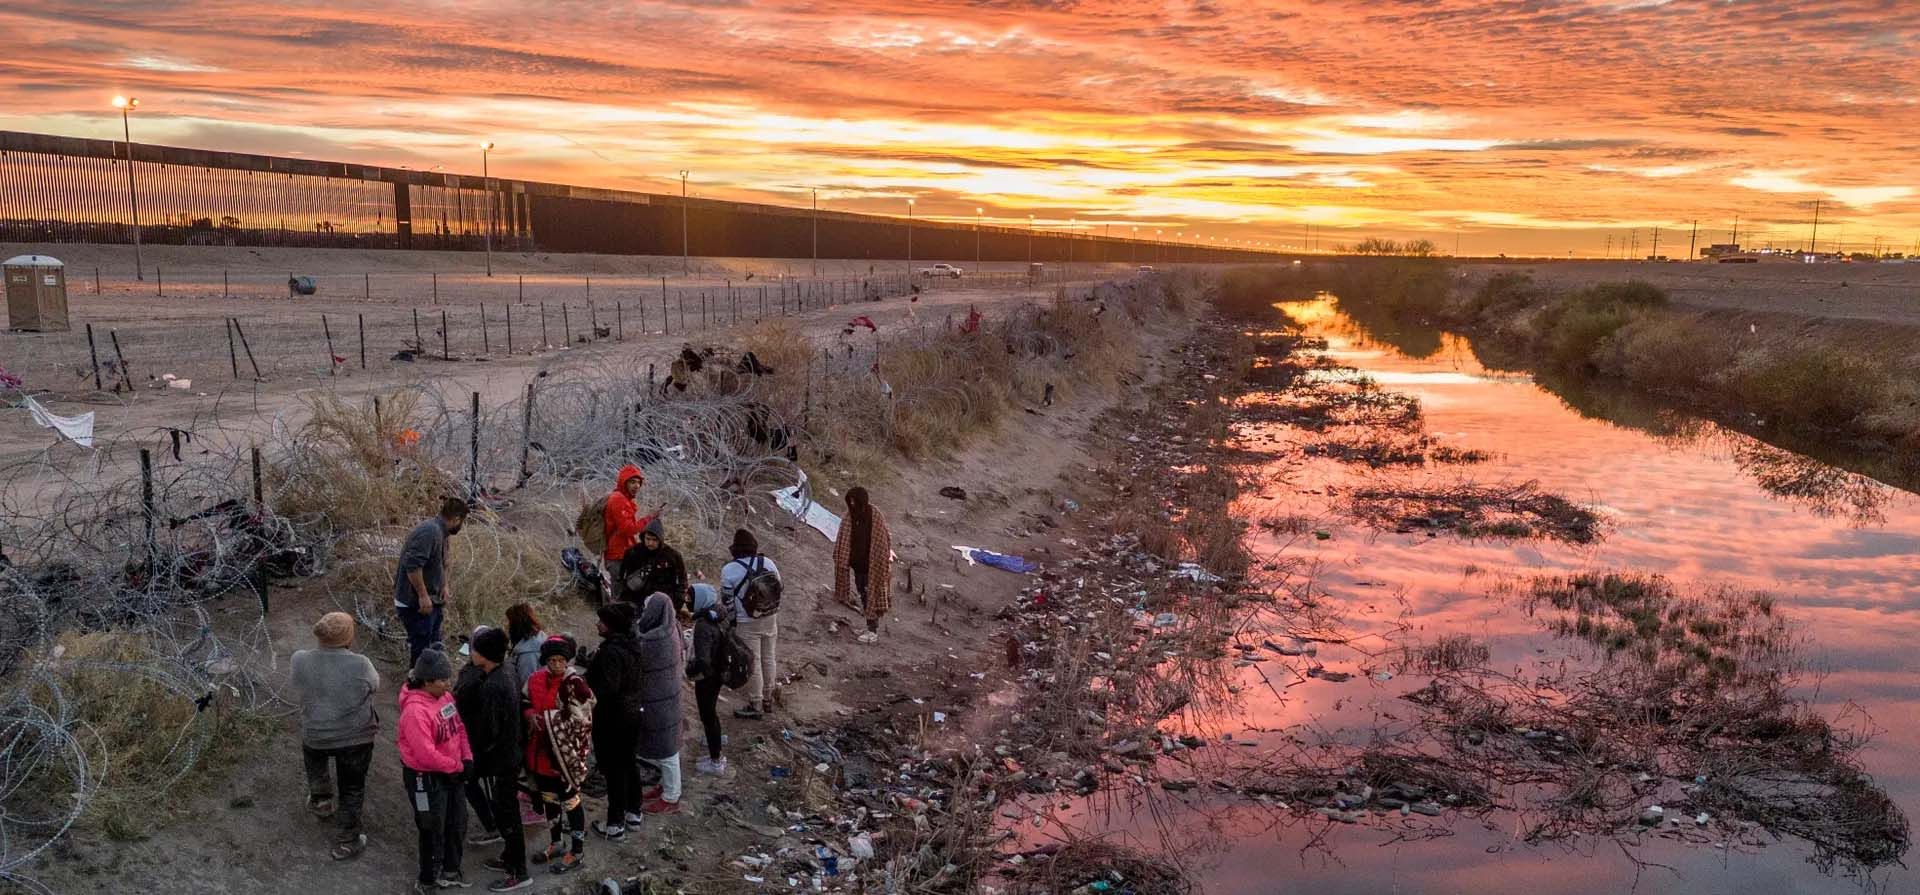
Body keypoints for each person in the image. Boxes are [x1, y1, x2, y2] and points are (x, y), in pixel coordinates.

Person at [290, 611, 378, 861]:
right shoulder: (361, 663)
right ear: (348, 637)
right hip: (356, 737)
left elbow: (296, 686)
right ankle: (348, 839)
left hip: (316, 734)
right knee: (352, 787)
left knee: (315, 763)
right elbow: (374, 686)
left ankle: (322, 800)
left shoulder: (300, 659)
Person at [454, 627, 530, 892]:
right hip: (509, 754)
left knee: (507, 813)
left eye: (474, 649)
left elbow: (490, 729)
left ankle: (518, 872)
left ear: (484, 655)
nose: (470, 653)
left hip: (502, 759)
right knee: (506, 810)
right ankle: (509, 857)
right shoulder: (506, 670)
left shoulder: (494, 686)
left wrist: (479, 751)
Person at [397, 646, 472, 893]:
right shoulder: (414, 711)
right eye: (442, 680)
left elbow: (458, 727)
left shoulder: (445, 697)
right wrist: (456, 766)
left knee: (457, 820)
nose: (447, 684)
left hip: (452, 772)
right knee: (431, 827)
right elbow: (425, 753)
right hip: (425, 777)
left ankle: (451, 869)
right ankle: (427, 878)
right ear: (427, 681)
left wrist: (467, 758)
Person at [525, 635, 594, 874]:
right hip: (540, 754)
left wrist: (548, 720)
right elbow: (524, 701)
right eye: (552, 660)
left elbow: (583, 719)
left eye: (561, 660)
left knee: (572, 802)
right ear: (545, 660)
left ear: (567, 661)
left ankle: (577, 851)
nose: (556, 664)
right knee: (549, 800)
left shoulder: (576, 684)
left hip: (565, 757)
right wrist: (530, 714)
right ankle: (556, 843)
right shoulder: (533, 680)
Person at [584, 603, 646, 839]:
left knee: (613, 770)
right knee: (629, 764)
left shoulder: (611, 652)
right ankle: (633, 812)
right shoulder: (632, 646)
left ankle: (615, 823)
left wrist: (585, 687)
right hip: (633, 713)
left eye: (602, 621)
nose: (598, 624)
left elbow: (607, 688)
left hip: (613, 718)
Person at [396, 497, 468, 664]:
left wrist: (444, 584)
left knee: (433, 645)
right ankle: (416, 685)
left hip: (431, 601)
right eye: (462, 521)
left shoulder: (442, 532)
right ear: (456, 519)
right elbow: (412, 566)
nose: (461, 526)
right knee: (422, 650)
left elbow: (441, 563)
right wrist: (423, 595)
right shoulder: (430, 532)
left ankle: (428, 683)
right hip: (416, 603)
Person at [720, 528, 781, 719]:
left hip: (747, 621)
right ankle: (768, 698)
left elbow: (727, 600)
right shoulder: (768, 562)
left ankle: (756, 703)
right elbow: (780, 586)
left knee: (753, 662)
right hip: (770, 616)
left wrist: (732, 621)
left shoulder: (729, 570)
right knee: (769, 657)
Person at [633, 591, 684, 814]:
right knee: (668, 747)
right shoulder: (672, 629)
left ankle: (672, 797)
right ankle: (665, 786)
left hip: (658, 700)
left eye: (646, 609)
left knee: (667, 752)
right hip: (668, 696)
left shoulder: (654, 640)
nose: (644, 613)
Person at [833, 486, 892, 644]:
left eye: (854, 502)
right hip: (858, 566)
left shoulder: (874, 516)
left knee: (869, 596)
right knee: (863, 594)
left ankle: (872, 632)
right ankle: (869, 627)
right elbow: (843, 540)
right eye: (849, 502)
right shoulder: (849, 517)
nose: (852, 505)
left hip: (871, 567)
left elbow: (882, 541)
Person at [686, 583, 730, 775]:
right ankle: (716, 745)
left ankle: (715, 760)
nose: (687, 601)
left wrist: (689, 670)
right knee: (711, 714)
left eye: (690, 598)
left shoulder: (704, 626)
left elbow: (703, 659)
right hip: (719, 672)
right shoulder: (718, 615)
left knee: (708, 715)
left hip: (708, 677)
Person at [616, 518, 687, 612]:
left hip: (660, 603)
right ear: (643, 537)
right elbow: (623, 578)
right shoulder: (633, 552)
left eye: (654, 540)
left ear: (660, 539)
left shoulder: (672, 556)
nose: (650, 543)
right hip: (635, 600)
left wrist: (675, 606)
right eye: (648, 539)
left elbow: (681, 582)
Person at [602, 464, 658, 566]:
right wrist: (649, 518)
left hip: (623, 553)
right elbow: (628, 529)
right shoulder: (619, 500)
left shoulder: (624, 499)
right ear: (624, 483)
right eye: (632, 482)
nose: (637, 486)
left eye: (638, 482)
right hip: (618, 556)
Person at [504, 604, 545, 690]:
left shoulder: (529, 654)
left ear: (516, 624)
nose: (506, 625)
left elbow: (526, 687)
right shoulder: (535, 638)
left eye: (508, 621)